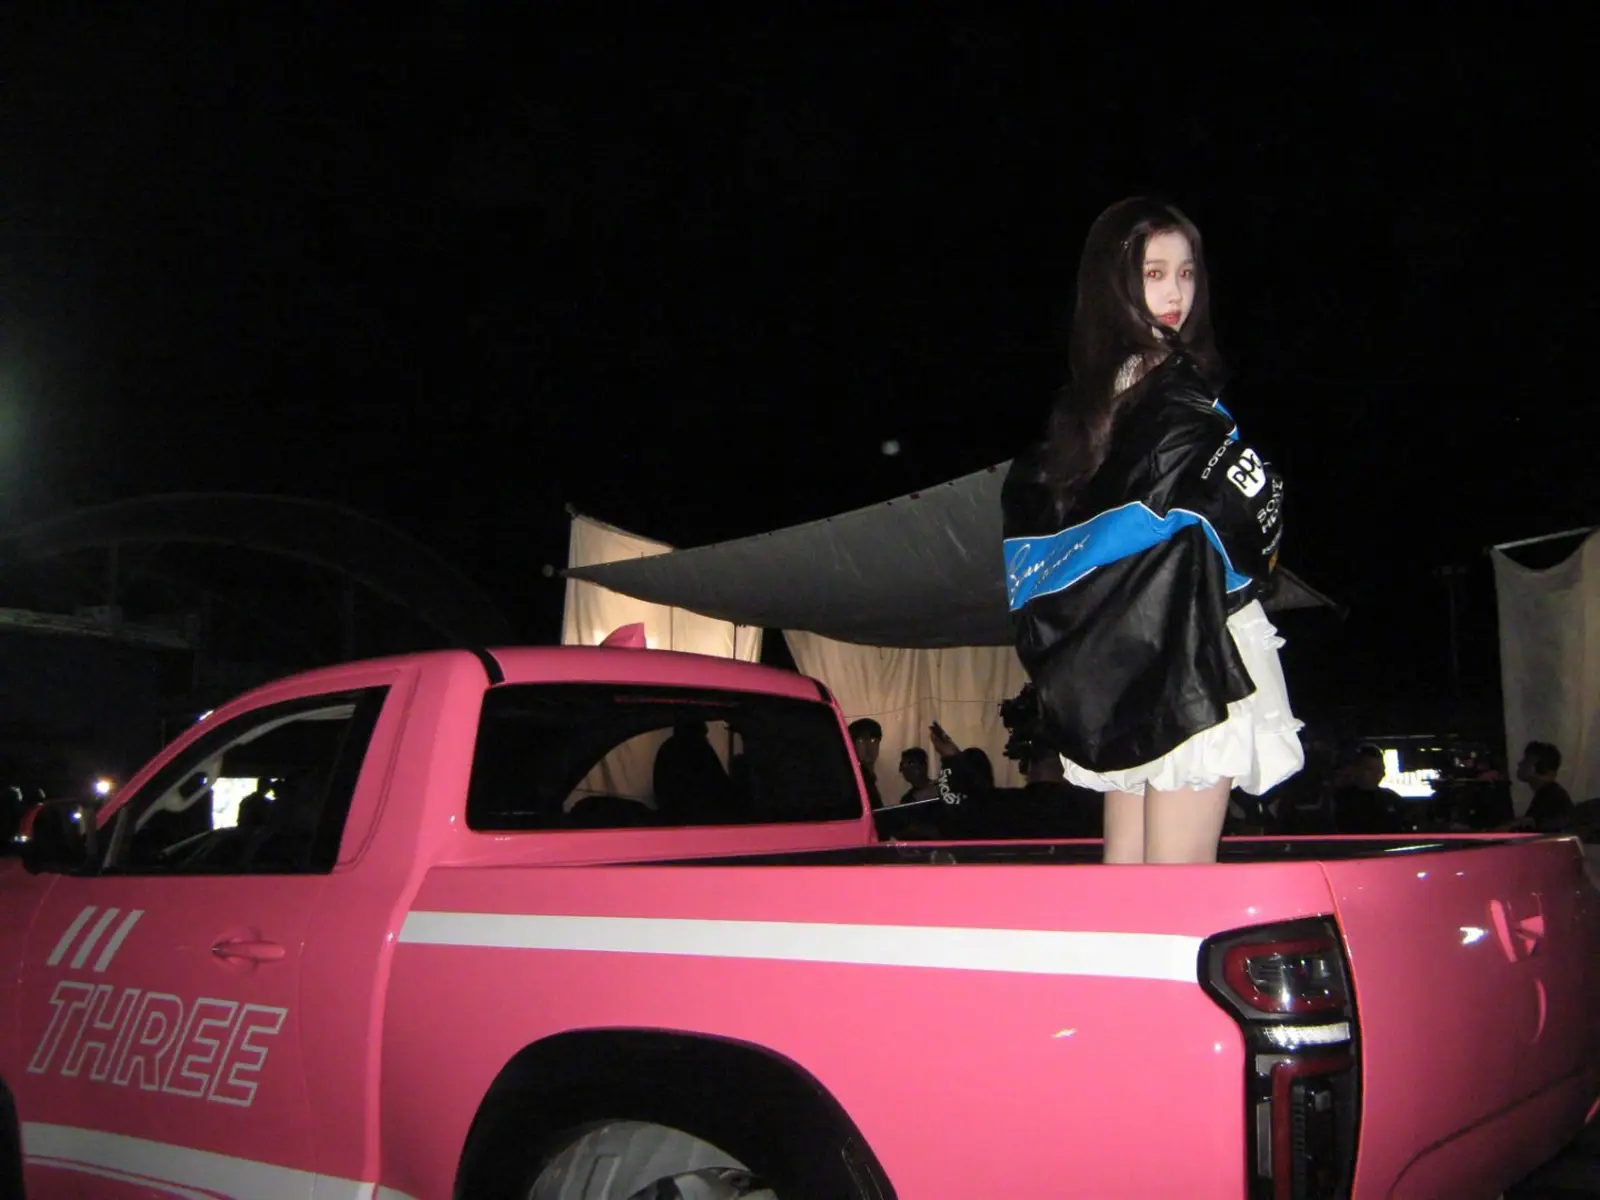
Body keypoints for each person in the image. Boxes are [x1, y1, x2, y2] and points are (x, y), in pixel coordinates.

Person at [1002, 197, 1304, 864]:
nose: (1176, 294)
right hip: (1189, 645)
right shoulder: (1173, 394)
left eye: (1187, 273)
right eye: (1155, 273)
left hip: (1128, 657)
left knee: (1133, 886)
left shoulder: (1091, 403)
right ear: (1113, 282)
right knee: (1176, 888)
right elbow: (1235, 525)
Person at [1516, 740, 1572, 833]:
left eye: (1526, 761)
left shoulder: (1552, 798)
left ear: (1540, 767)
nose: (1520, 763)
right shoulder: (1550, 794)